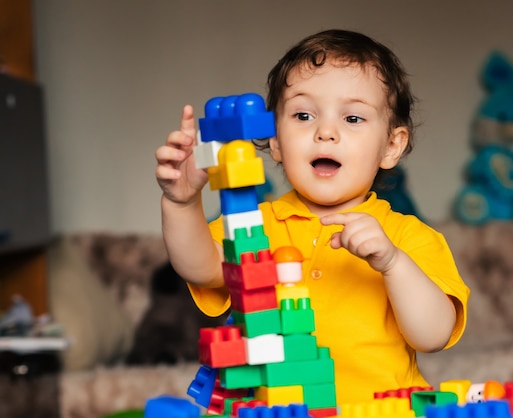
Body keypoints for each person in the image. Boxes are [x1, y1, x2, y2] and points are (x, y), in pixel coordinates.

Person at [155, 29, 469, 404]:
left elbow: (433, 335)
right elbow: (200, 267)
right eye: (303, 115)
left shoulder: (407, 236)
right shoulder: (256, 223)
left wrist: (393, 263)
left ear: (391, 146)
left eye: (353, 118)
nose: (325, 132)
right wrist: (181, 202)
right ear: (275, 141)